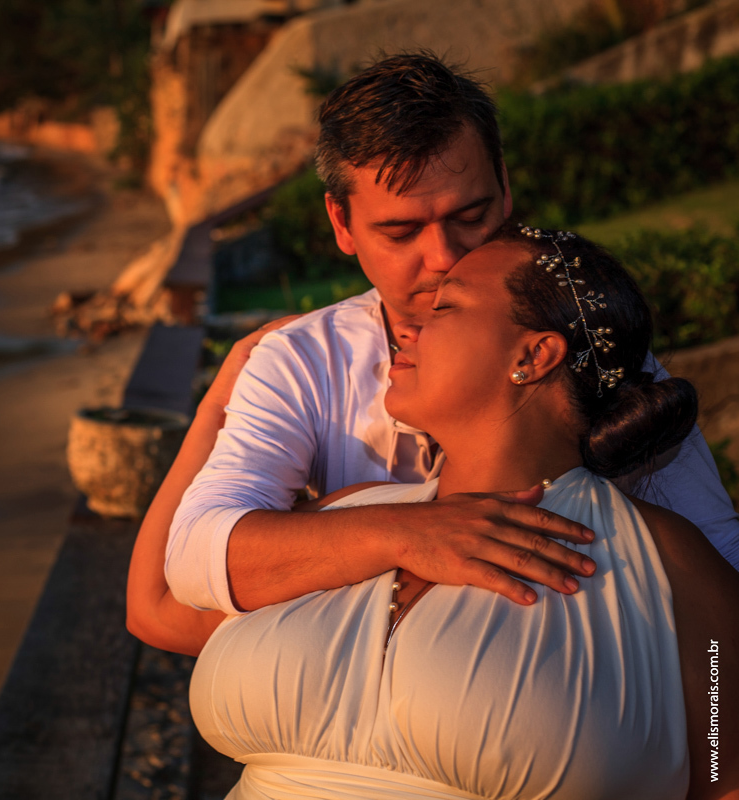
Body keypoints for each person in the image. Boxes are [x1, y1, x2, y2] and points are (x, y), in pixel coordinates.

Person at [126, 53, 739, 654]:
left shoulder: (584, 348)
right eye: (400, 232)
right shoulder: (304, 363)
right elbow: (195, 557)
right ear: (341, 223)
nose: (444, 257)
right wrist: (406, 531)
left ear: (504, 187)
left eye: (471, 215)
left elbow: (721, 575)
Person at [193, 226, 739, 798]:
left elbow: (724, 774)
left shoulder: (669, 563)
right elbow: (162, 603)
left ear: (533, 355)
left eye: (445, 306)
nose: (407, 327)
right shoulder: (346, 515)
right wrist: (216, 407)